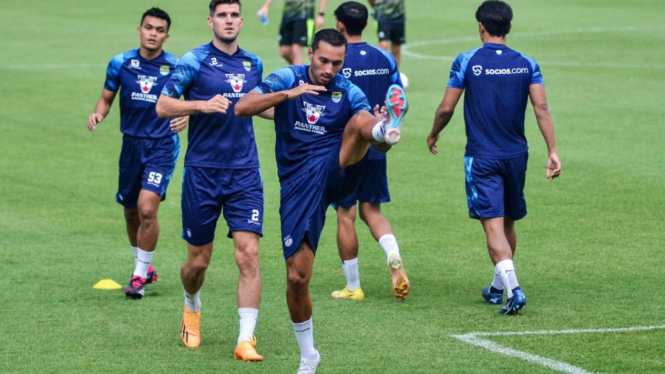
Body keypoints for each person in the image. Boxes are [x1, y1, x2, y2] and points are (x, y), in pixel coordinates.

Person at [236, 28, 408, 374]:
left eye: (337, 63)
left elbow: (380, 149)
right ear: (311, 52)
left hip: (337, 169)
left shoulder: (347, 89)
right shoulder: (288, 76)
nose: (330, 69)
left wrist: (383, 135)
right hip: (300, 185)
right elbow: (242, 107)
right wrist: (288, 94)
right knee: (297, 278)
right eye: (324, 60)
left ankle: (383, 124)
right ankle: (309, 356)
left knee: (362, 121)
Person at [426, 0, 561, 315]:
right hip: (517, 155)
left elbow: (447, 107)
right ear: (509, 27)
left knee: (492, 226)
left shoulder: (467, 60)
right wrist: (553, 150)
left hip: (482, 156)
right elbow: (541, 108)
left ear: (481, 27)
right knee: (508, 220)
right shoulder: (527, 63)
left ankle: (514, 290)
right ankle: (497, 288)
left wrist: (433, 133)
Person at [155, 0, 270, 361]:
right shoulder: (192, 61)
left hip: (245, 173)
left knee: (249, 255)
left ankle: (246, 339)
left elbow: (256, 107)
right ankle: (191, 305)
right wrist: (199, 106)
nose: (230, 21)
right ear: (211, 21)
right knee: (198, 262)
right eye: (223, 15)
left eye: (235, 15)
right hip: (202, 173)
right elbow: (162, 105)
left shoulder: (254, 63)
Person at [86, 7, 186, 300]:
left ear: (166, 36)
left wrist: (188, 117)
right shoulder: (121, 63)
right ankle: (146, 266)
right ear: (139, 30)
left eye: (159, 30)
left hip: (162, 145)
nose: (153, 34)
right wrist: (98, 114)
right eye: (149, 28)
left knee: (146, 207)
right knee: (130, 211)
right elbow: (107, 97)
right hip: (131, 145)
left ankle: (139, 277)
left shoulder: (175, 66)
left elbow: (194, 100)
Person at [329, 1, 408, 302]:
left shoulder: (336, 58)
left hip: (347, 147)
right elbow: (396, 96)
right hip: (377, 144)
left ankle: (353, 286)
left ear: (339, 25)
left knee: (346, 214)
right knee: (372, 211)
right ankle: (393, 254)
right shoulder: (384, 56)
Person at [257, 0, 329, 65]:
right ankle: (302, 72)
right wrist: (266, 6)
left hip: (305, 15)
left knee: (296, 49)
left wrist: (321, 14)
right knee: (284, 51)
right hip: (288, 15)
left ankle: (299, 76)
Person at [367, 0, 405, 68]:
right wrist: (377, 8)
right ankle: (381, 70)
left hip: (399, 16)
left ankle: (396, 73)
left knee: (396, 48)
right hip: (383, 16)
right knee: (383, 46)